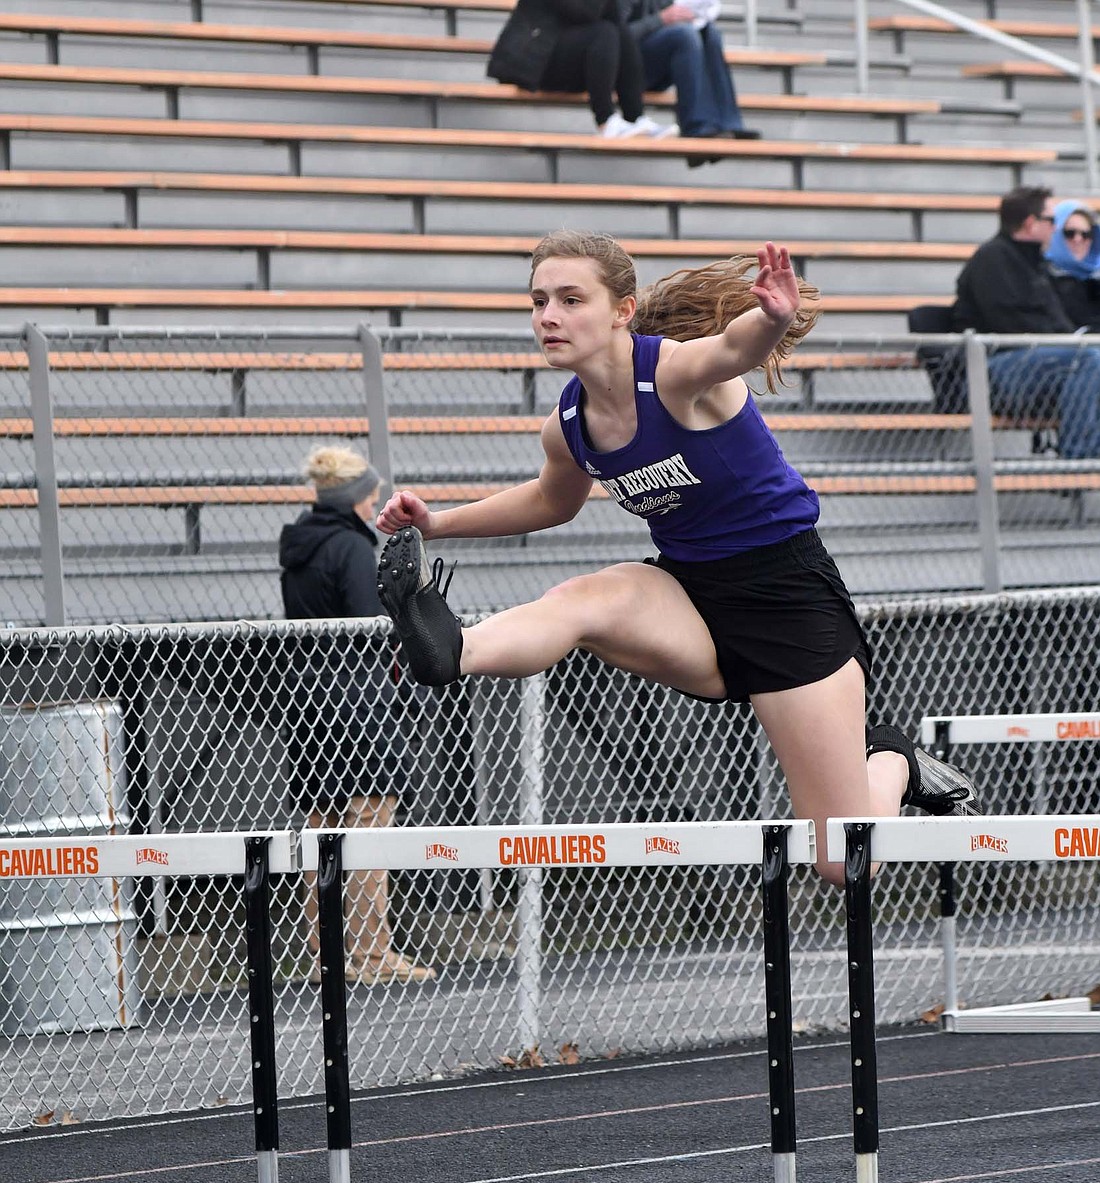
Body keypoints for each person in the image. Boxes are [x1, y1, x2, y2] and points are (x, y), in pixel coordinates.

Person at [373, 231, 978, 889]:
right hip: (688, 594)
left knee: (842, 862)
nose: (549, 316)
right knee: (586, 598)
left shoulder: (672, 374)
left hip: (786, 600)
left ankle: (893, 758)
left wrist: (770, 318)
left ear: (621, 311)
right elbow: (552, 499)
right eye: (539, 300)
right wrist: (438, 524)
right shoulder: (569, 421)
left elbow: (728, 350)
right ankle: (454, 651)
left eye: (571, 299)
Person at [280, 443, 435, 986]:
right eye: (370, 496)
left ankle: (328, 955)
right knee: (370, 819)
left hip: (308, 701)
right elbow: (369, 627)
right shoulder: (349, 547)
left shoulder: (300, 546)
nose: (374, 505)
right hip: (358, 701)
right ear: (350, 497)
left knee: (321, 826)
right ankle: (372, 955)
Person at [953, 183, 1100, 460]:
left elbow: (1057, 322)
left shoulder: (1035, 264)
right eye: (1052, 221)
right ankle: (1079, 461)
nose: (1055, 228)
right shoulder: (993, 258)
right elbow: (1012, 325)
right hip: (999, 369)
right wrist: (1069, 341)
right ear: (1031, 224)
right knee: (1088, 359)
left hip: (1040, 364)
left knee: (1090, 357)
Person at [487, 0, 677, 138]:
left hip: (558, 56)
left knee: (619, 30)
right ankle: (606, 121)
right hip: (530, 61)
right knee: (604, 32)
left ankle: (635, 118)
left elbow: (613, 16)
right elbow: (584, 11)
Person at [624, 0, 761, 161]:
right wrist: (661, 19)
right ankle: (696, 128)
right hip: (624, 70)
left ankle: (728, 124)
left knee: (709, 32)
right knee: (684, 34)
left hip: (656, 61)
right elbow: (615, 35)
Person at [1044, 199, 1100, 331]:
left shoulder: (1095, 280)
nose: (1078, 239)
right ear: (1054, 233)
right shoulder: (1040, 277)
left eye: (1086, 234)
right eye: (1070, 233)